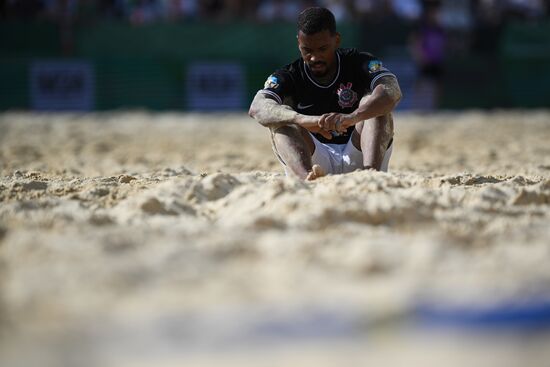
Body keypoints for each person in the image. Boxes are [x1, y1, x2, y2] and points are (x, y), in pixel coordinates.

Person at [249, 6, 402, 181]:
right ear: (298, 43)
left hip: (360, 151)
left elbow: (392, 90)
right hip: (315, 158)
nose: (314, 58)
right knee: (282, 121)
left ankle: (371, 177)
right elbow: (257, 107)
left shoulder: (358, 62)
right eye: (307, 50)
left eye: (322, 49)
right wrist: (302, 119)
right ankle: (308, 179)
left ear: (336, 40)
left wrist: (353, 117)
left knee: (374, 106)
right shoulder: (289, 75)